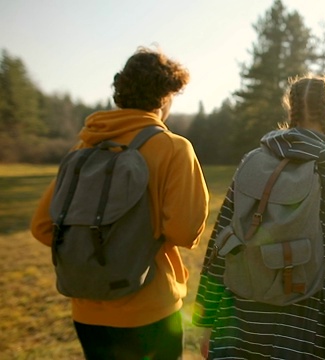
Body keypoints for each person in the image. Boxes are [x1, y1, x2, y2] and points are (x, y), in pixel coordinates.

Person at [30, 47, 210, 359]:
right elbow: (184, 231)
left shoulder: (84, 147)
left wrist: (93, 252)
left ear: (120, 93)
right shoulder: (173, 148)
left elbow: (42, 226)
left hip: (87, 312)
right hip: (150, 309)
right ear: (165, 98)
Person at [192, 74, 325, 359]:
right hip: (310, 336)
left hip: (237, 328)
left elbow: (220, 245)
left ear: (290, 112)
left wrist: (206, 320)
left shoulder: (252, 164)